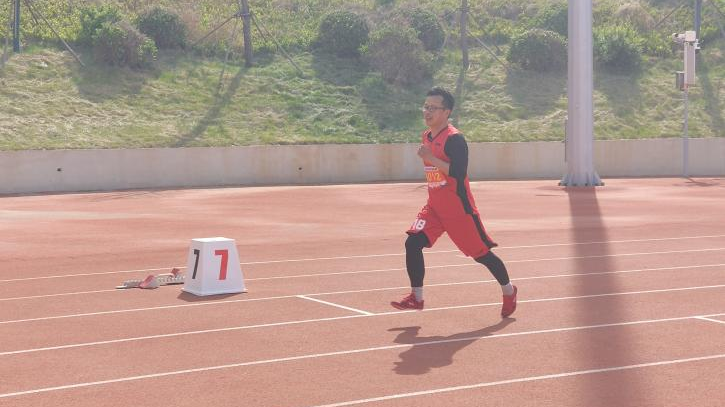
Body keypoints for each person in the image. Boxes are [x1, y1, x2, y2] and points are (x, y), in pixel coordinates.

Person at [391, 87, 517, 318]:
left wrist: (430, 158)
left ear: (446, 112)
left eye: (433, 108)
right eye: (426, 106)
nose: (427, 111)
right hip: (434, 208)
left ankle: (509, 290)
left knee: (481, 255)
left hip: (459, 210)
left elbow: (458, 173)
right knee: (412, 243)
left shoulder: (454, 139)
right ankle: (416, 297)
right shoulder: (427, 136)